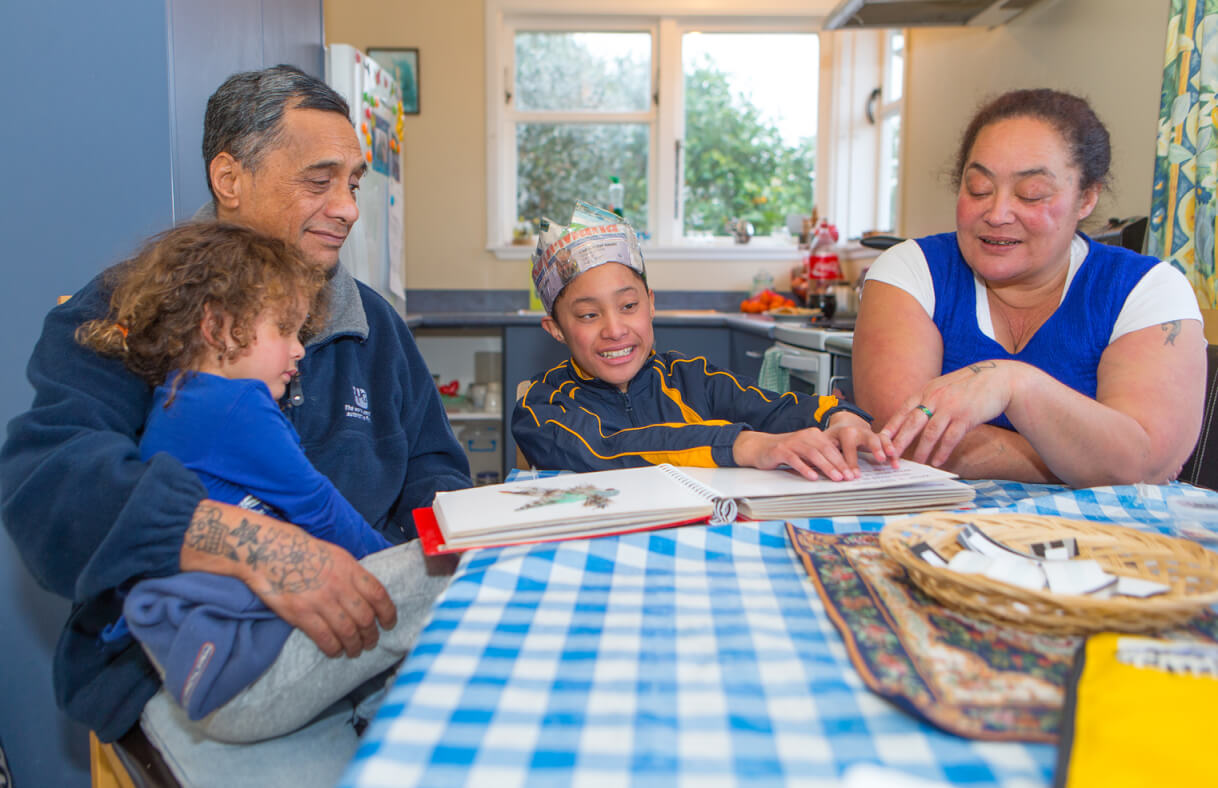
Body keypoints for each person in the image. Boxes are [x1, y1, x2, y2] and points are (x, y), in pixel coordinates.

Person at [0, 65, 471, 787]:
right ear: (230, 177)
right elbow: (47, 485)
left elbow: (435, 473)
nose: (346, 208)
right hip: (192, 669)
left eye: (354, 181)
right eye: (320, 181)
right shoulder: (125, 312)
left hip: (370, 643)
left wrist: (394, 585)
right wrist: (248, 542)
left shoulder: (376, 326)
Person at [75, 219, 442, 742]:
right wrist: (394, 572)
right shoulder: (236, 406)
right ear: (218, 328)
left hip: (215, 676)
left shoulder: (179, 402)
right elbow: (320, 508)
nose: (299, 350)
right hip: (247, 676)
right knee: (443, 567)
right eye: (286, 330)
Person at [852, 88, 1206, 487]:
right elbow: (904, 440)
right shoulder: (911, 270)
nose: (998, 213)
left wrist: (1015, 384)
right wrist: (1084, 461)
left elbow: (1144, 464)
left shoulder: (1147, 290)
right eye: (979, 189)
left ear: (1087, 197)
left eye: (1031, 194)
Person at [513, 202, 894, 479]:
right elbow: (609, 446)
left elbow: (774, 408)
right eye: (588, 315)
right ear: (557, 329)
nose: (614, 329)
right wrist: (744, 445)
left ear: (651, 305)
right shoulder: (541, 406)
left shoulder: (692, 379)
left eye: (628, 305)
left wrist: (837, 415)